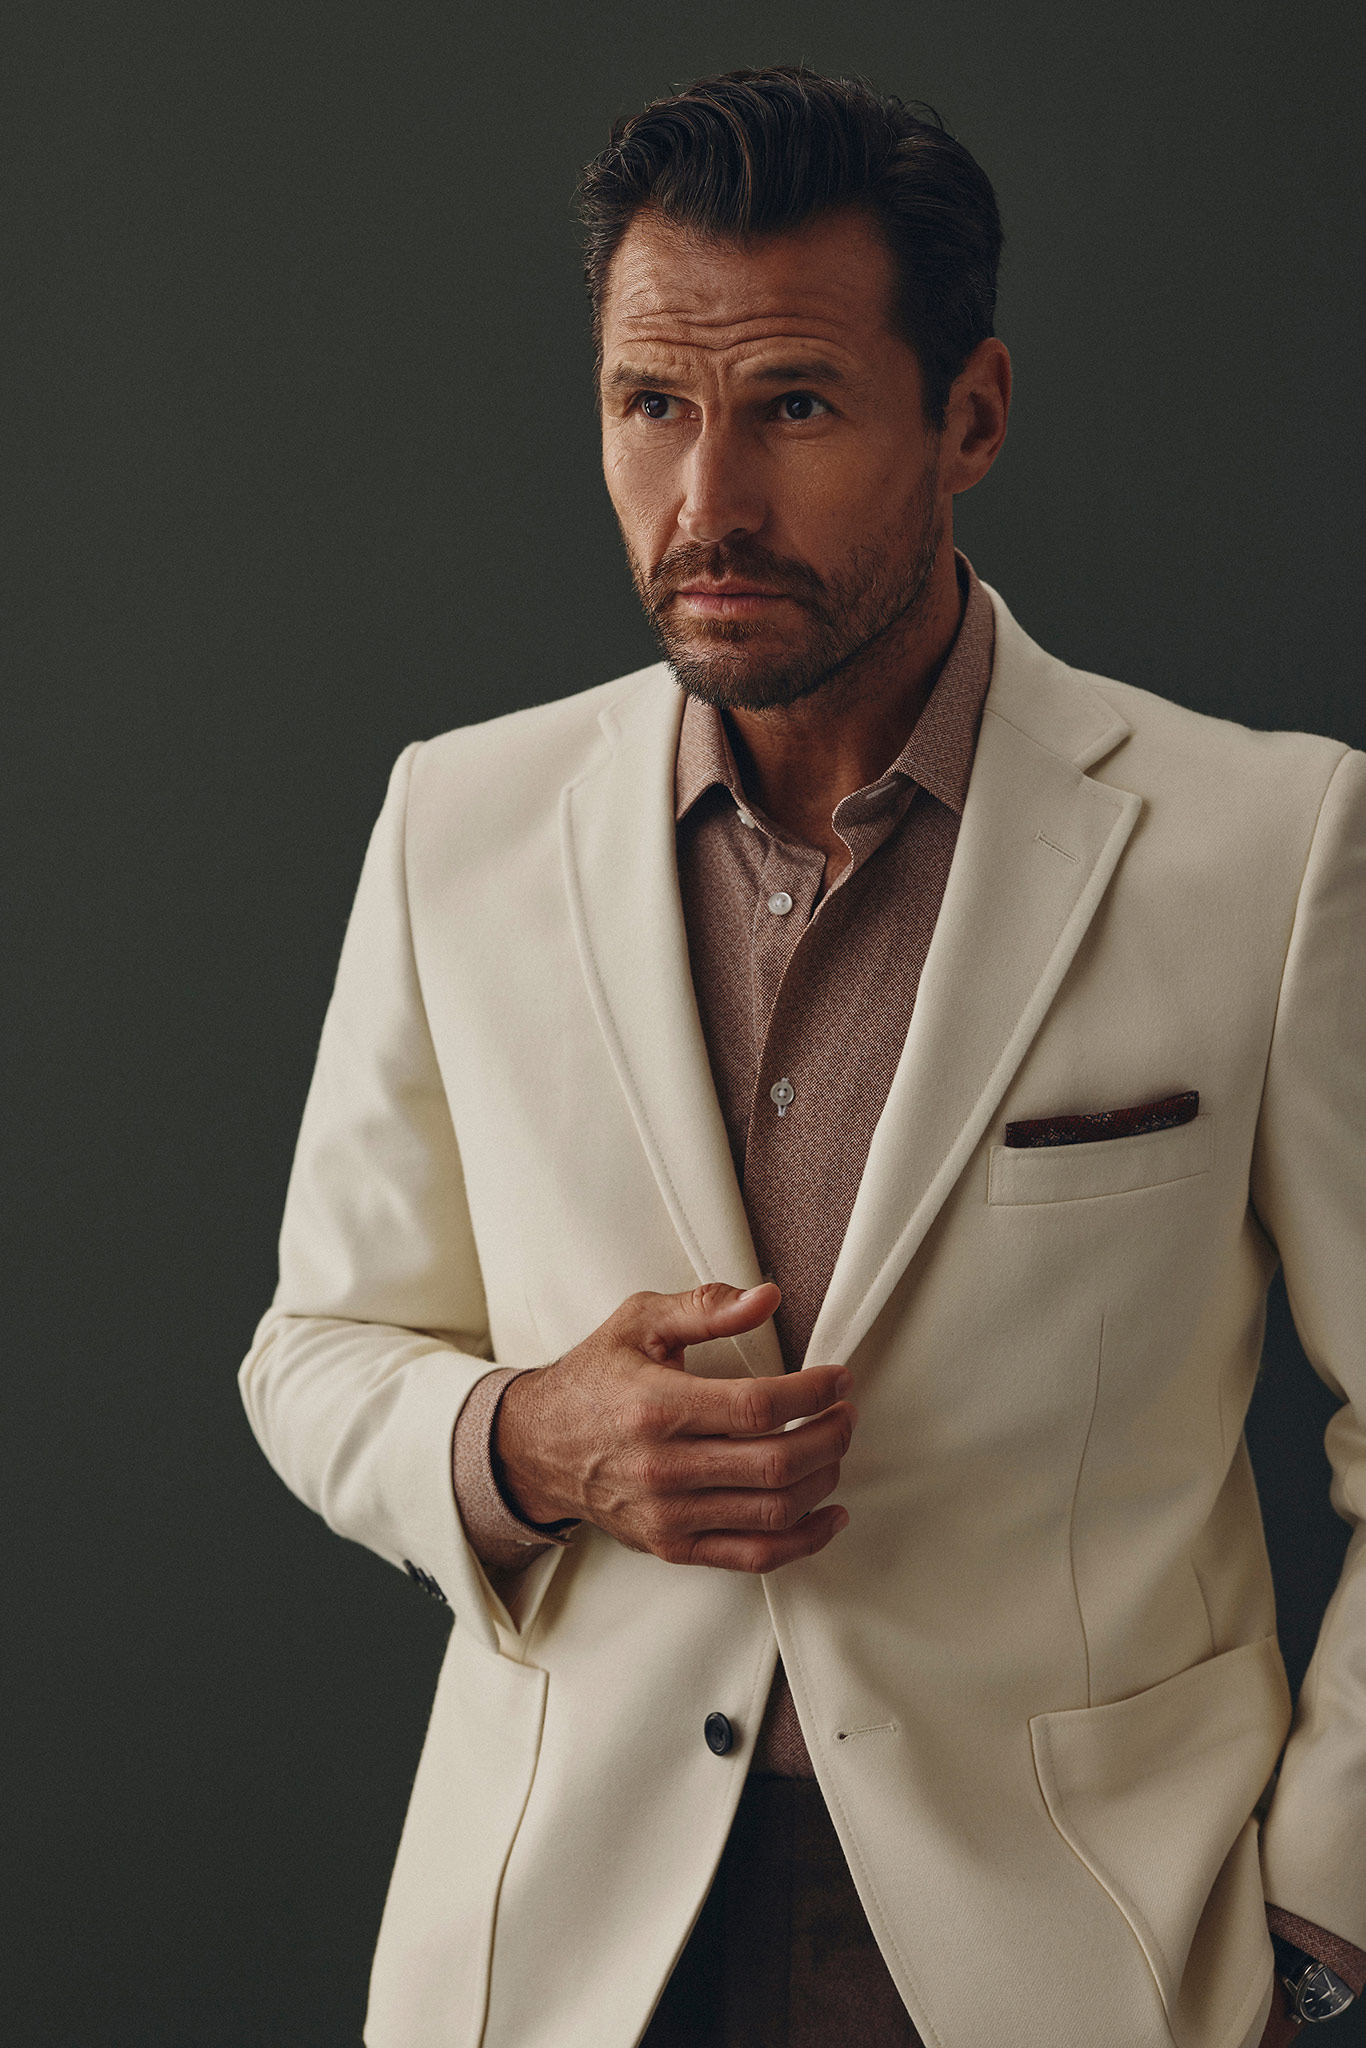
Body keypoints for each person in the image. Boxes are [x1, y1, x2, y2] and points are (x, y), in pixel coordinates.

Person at [239, 64, 1366, 2048]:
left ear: (970, 416)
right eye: (647, 407)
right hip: (562, 1951)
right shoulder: (456, 823)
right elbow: (316, 1348)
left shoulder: (1265, 846)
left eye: (793, 407)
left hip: (1085, 1957)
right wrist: (527, 1442)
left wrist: (1322, 1926)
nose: (706, 507)